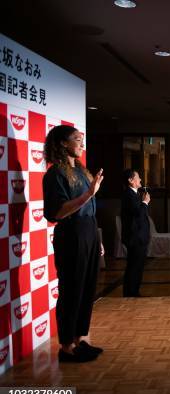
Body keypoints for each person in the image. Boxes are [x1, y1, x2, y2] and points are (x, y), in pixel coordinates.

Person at [43, 125, 104, 363]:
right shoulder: (55, 174)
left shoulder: (80, 170)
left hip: (88, 231)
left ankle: (82, 339)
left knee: (88, 288)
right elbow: (57, 212)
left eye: (82, 139)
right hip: (71, 234)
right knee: (71, 289)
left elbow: (90, 208)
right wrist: (88, 193)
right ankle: (66, 346)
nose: (81, 143)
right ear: (62, 144)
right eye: (77, 139)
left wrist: (97, 238)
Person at [121, 169, 151, 297]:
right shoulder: (129, 194)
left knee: (137, 267)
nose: (140, 180)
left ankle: (134, 292)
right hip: (135, 238)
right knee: (134, 267)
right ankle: (131, 293)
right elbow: (138, 214)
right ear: (130, 180)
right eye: (138, 177)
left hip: (139, 237)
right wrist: (145, 202)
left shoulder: (135, 194)